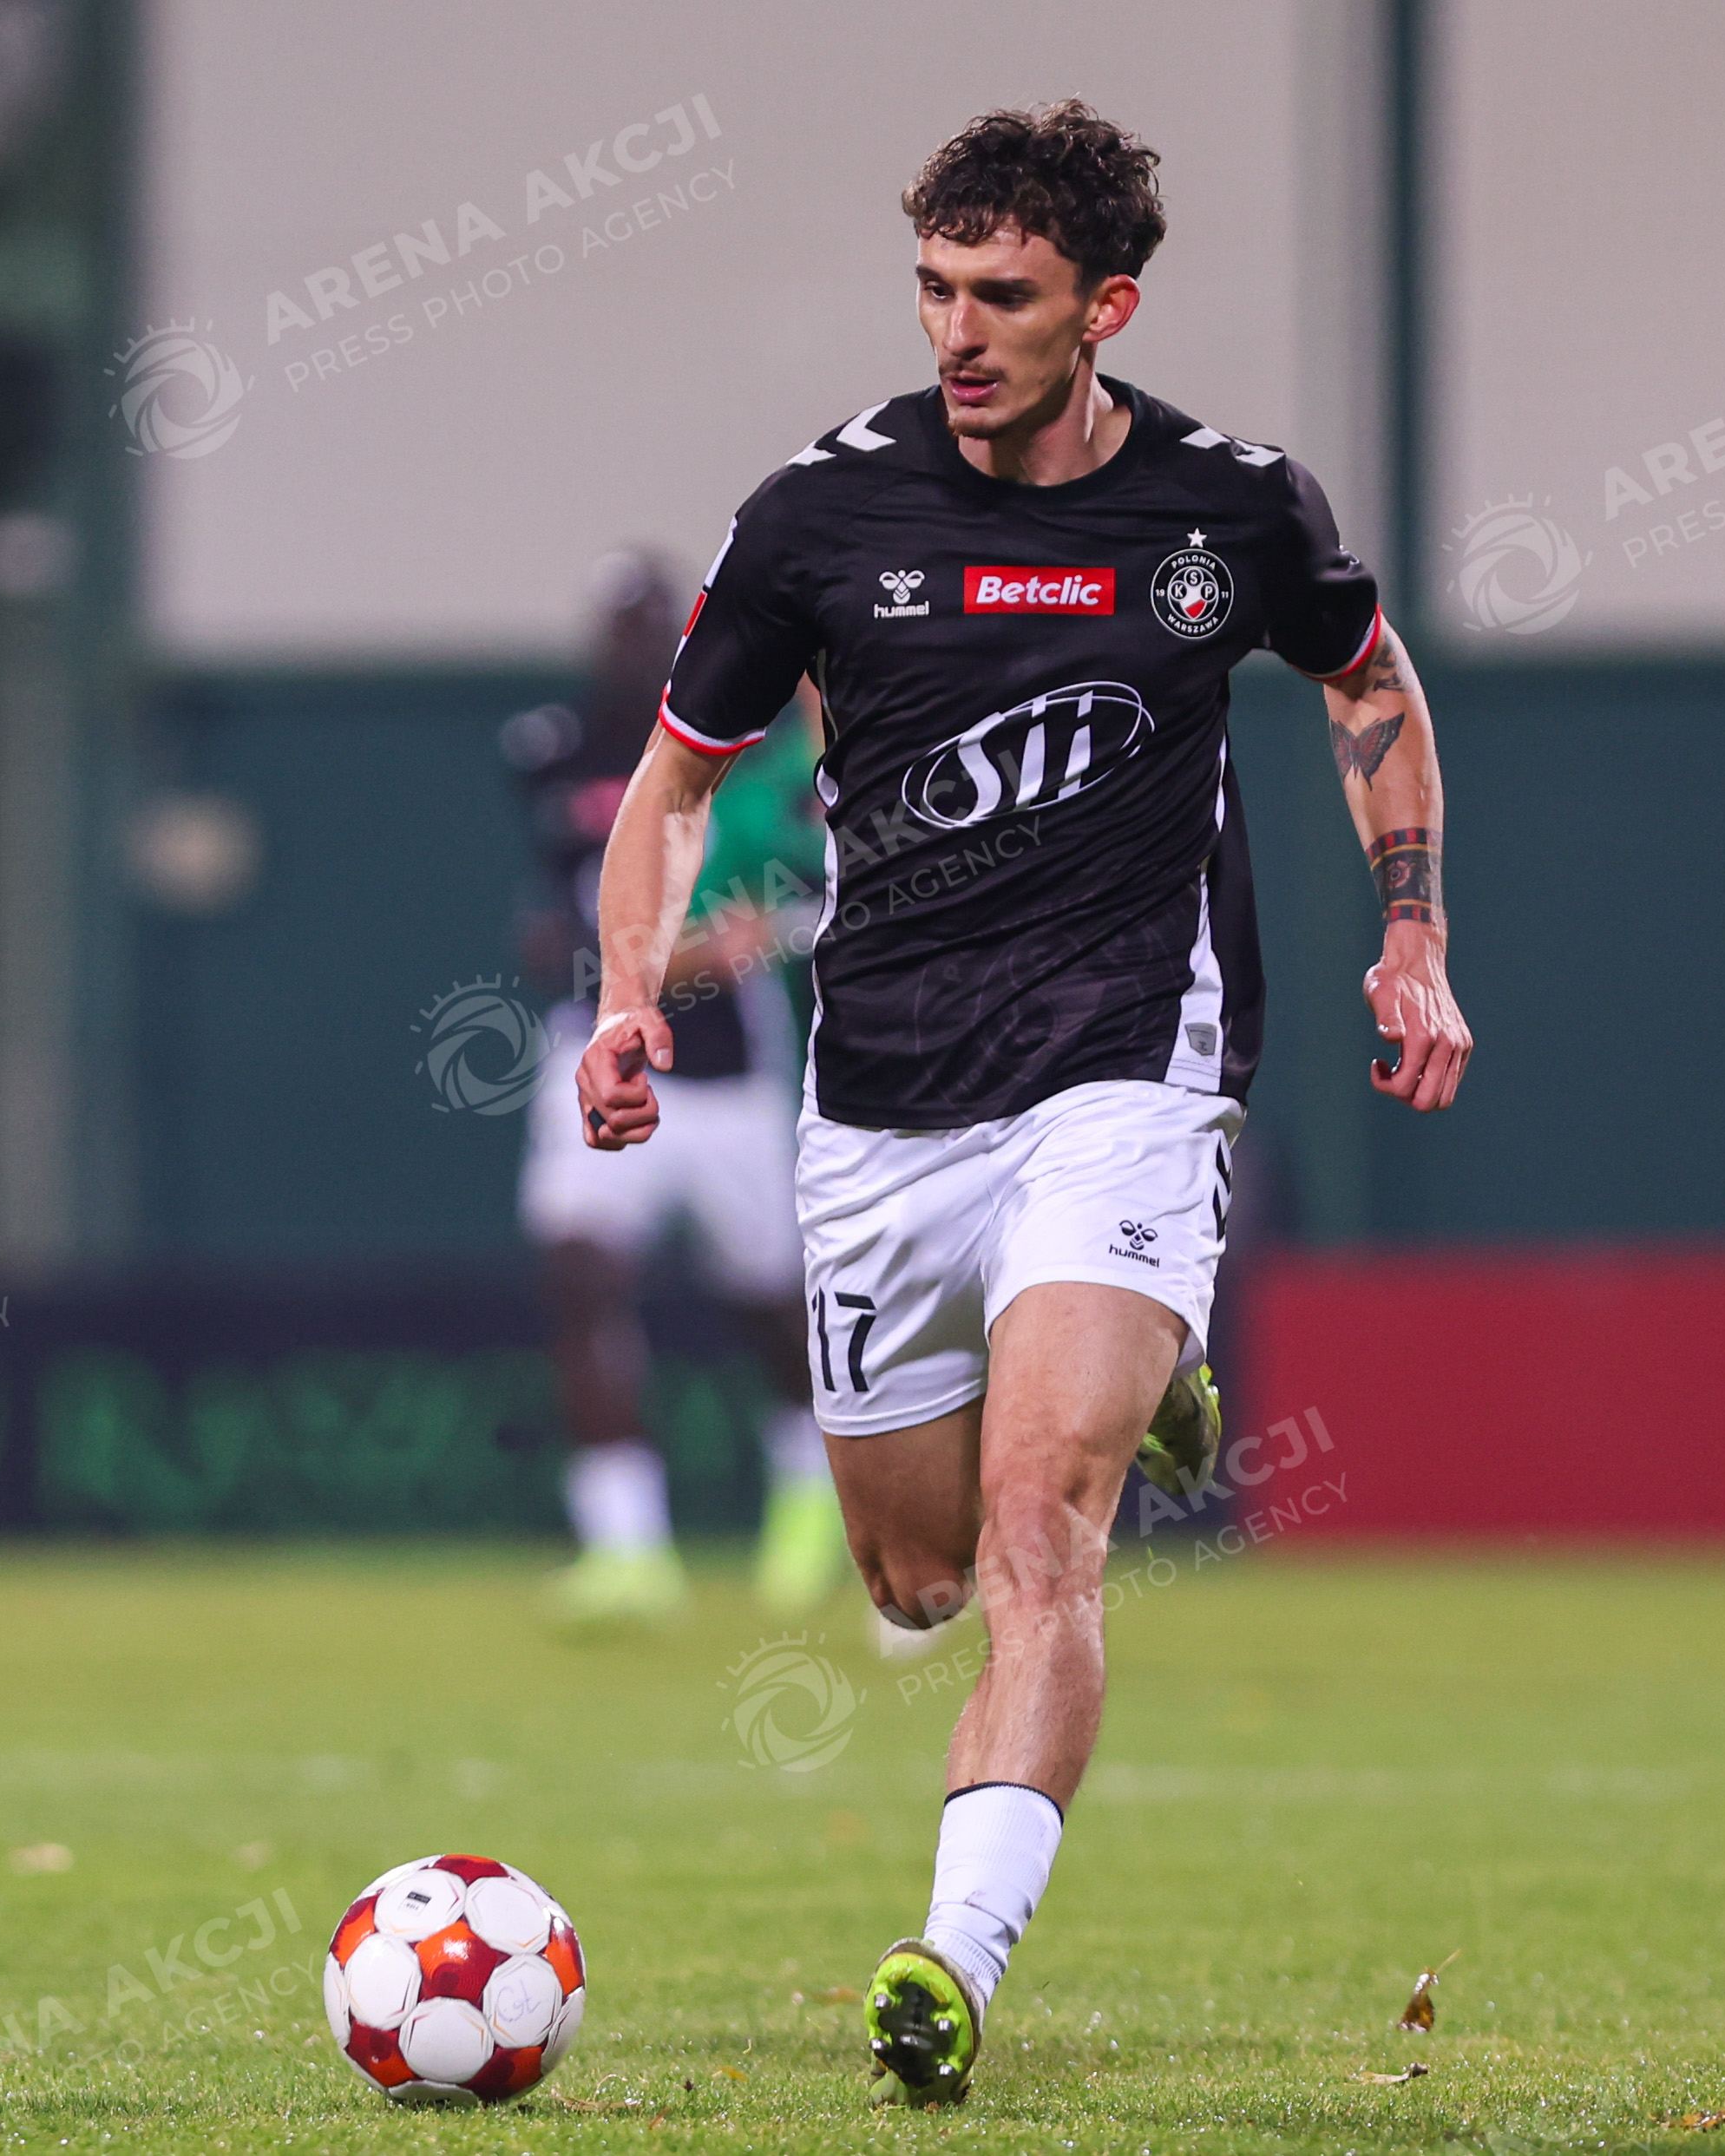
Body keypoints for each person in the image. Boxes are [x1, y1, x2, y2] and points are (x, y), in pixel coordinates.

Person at [571, 104, 1472, 2100]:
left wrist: (1410, 933)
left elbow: (1368, 687)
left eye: (1002, 295)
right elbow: (676, 780)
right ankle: (1149, 1368)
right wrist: (628, 996)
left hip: (1126, 1065)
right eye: (933, 290)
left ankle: (948, 1959)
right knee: (911, 1578)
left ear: (1103, 309)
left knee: (1036, 1530)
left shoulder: (1228, 510)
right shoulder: (818, 518)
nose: (956, 332)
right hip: (883, 1100)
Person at [505, 552, 848, 1626]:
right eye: (621, 629)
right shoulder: (558, 750)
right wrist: (671, 951)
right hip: (605, 1049)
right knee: (578, 1270)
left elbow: (794, 888)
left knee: (769, 1307)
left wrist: (746, 934)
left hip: (728, 1078)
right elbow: (567, 926)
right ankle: (624, 1545)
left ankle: (811, 1491)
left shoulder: (753, 760)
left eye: (654, 628)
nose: (636, 650)